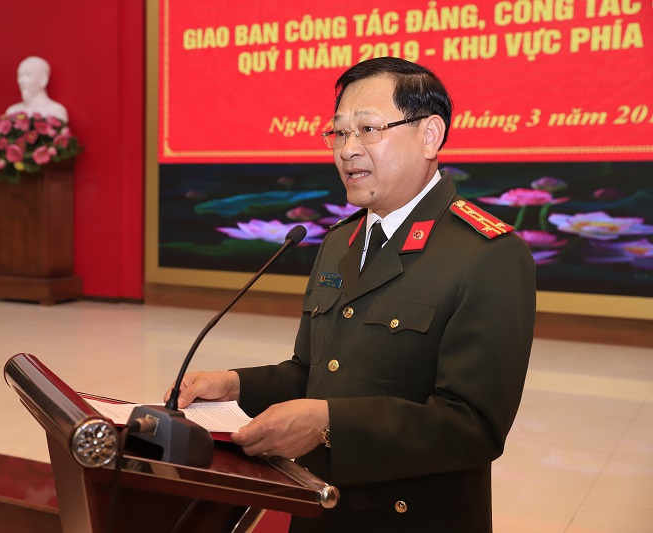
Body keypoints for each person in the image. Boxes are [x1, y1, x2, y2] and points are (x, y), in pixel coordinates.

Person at [165, 57, 536, 532]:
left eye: (368, 129)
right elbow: (313, 374)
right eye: (339, 132)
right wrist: (235, 386)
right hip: (320, 507)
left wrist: (327, 425)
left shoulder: (488, 254)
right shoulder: (340, 241)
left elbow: (473, 427)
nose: (347, 150)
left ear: (430, 135)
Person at [6, 56, 69, 122]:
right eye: (20, 75)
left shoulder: (56, 111)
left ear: (43, 79)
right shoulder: (12, 111)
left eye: (28, 75)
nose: (22, 81)